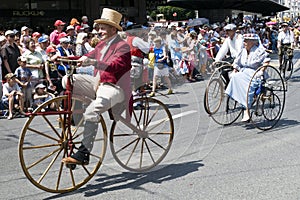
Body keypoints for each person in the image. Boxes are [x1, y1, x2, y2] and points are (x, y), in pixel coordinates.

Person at [62, 8, 132, 165]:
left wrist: (94, 62)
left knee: (92, 112)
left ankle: (83, 153)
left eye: (102, 28)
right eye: (98, 28)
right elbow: (87, 56)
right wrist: (62, 58)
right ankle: (75, 116)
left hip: (115, 87)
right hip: (98, 83)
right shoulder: (102, 45)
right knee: (67, 79)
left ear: (113, 29)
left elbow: (115, 66)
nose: (99, 31)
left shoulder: (122, 47)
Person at [225, 33, 270, 122]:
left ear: (252, 42)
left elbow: (266, 62)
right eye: (244, 40)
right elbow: (236, 63)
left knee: (249, 87)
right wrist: (235, 70)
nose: (244, 42)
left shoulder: (259, 51)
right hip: (243, 72)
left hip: (255, 73)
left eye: (246, 40)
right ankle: (237, 98)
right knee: (235, 77)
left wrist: (261, 71)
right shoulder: (242, 51)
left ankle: (247, 110)